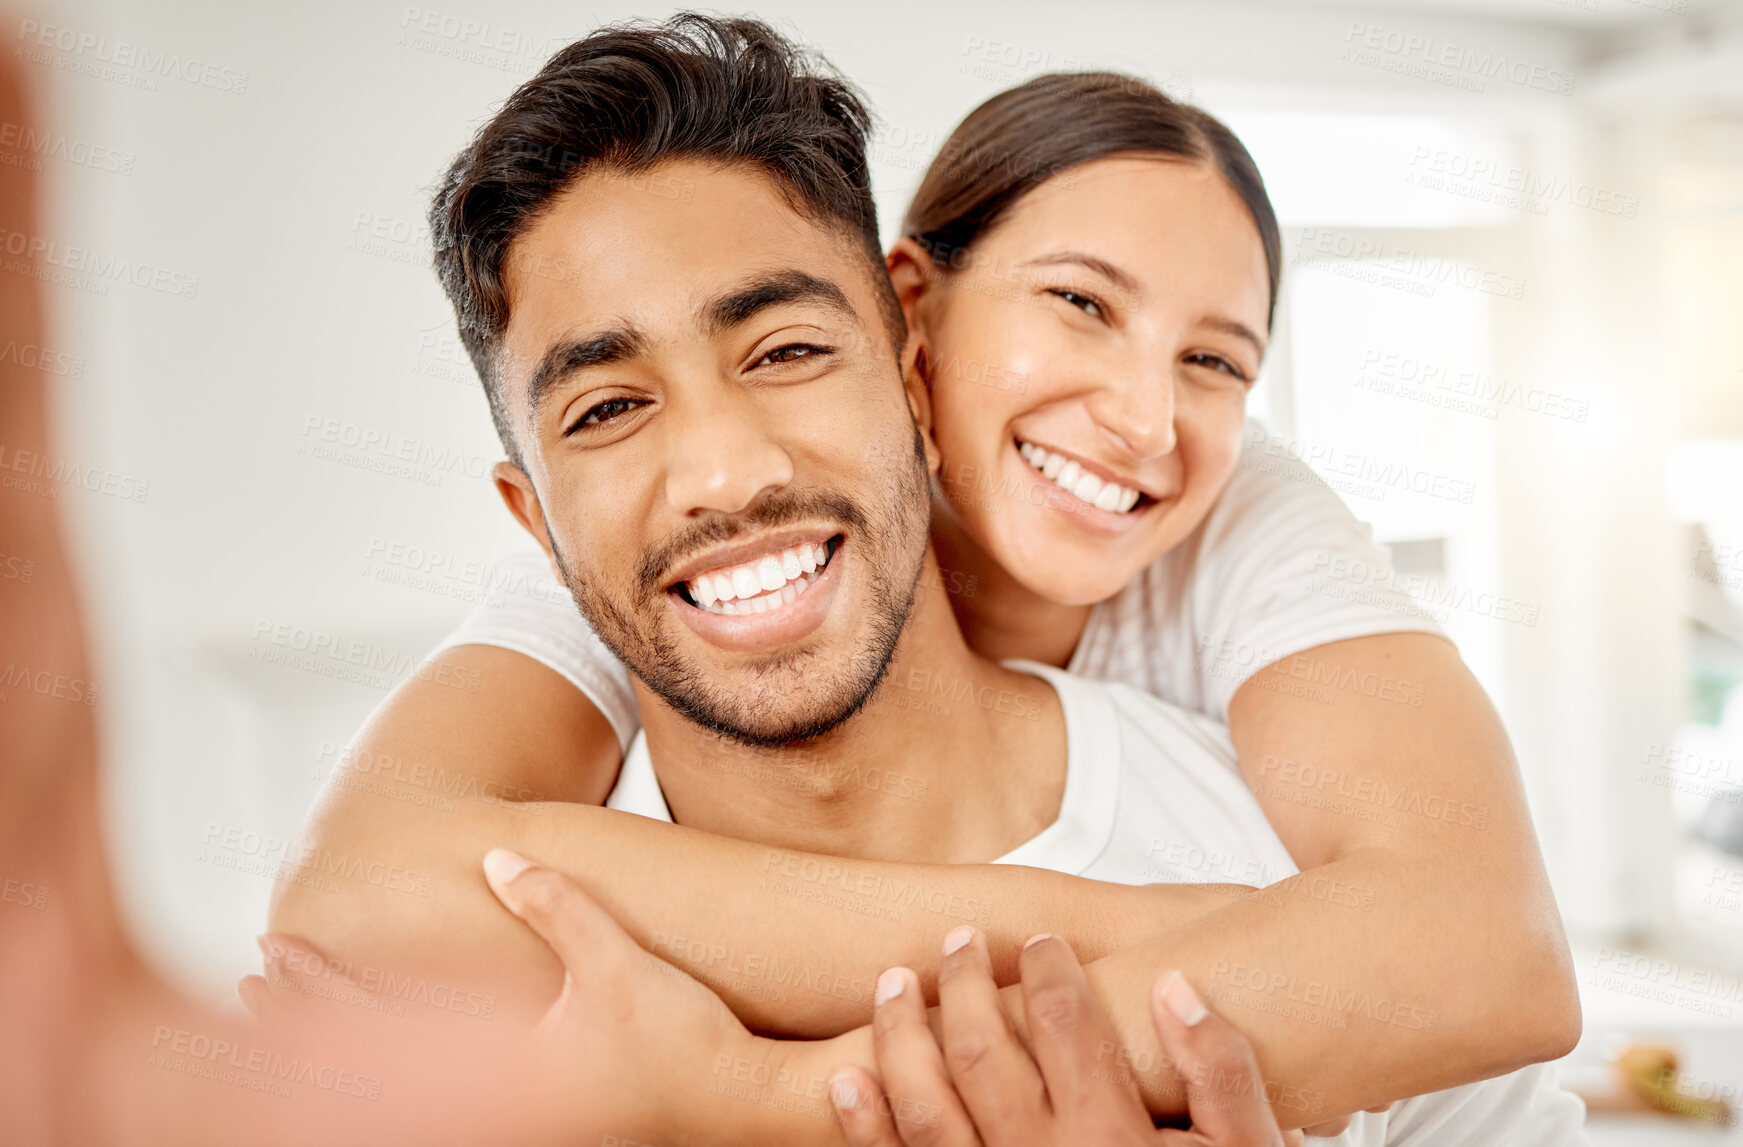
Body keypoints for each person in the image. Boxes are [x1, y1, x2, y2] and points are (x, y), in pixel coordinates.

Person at [268, 14, 1587, 1143]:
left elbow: (1486, 967)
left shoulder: (1301, 873)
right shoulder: (471, 997)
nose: (723, 476)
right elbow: (349, 891)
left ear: (910, 374)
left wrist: (747, 1094)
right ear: (537, 528)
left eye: (783, 350)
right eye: (608, 410)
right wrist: (1056, 954)